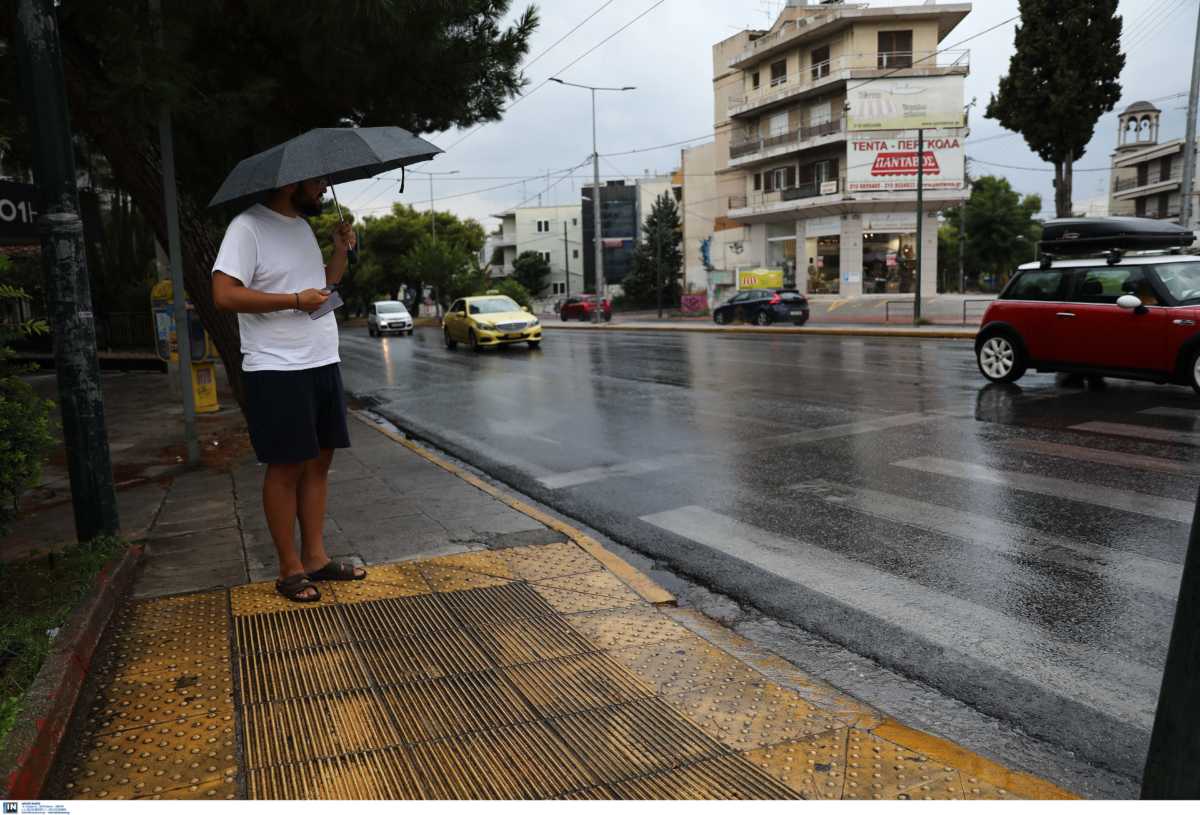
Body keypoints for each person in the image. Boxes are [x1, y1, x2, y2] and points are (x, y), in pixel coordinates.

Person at [211, 176, 367, 602]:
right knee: (285, 466)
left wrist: (339, 251)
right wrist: (294, 301)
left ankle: (316, 557)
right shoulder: (247, 227)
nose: (324, 191)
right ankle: (289, 569)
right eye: (318, 183)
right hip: (276, 367)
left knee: (319, 461)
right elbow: (224, 294)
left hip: (321, 358)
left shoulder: (300, 226)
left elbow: (323, 288)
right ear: (289, 183)